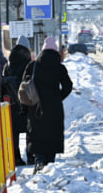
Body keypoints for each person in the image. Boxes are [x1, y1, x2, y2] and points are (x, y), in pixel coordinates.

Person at [23, 35, 74, 169]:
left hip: (36, 107)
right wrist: (58, 97)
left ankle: (39, 159)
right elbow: (68, 86)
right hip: (54, 108)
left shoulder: (33, 66)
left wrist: (25, 107)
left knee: (37, 133)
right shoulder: (59, 67)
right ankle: (50, 163)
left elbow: (23, 86)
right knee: (52, 133)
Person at [2, 36, 33, 166]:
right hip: (27, 102)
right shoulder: (29, 64)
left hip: (12, 103)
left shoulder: (7, 64)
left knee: (13, 132)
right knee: (30, 130)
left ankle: (15, 158)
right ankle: (31, 156)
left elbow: (3, 83)